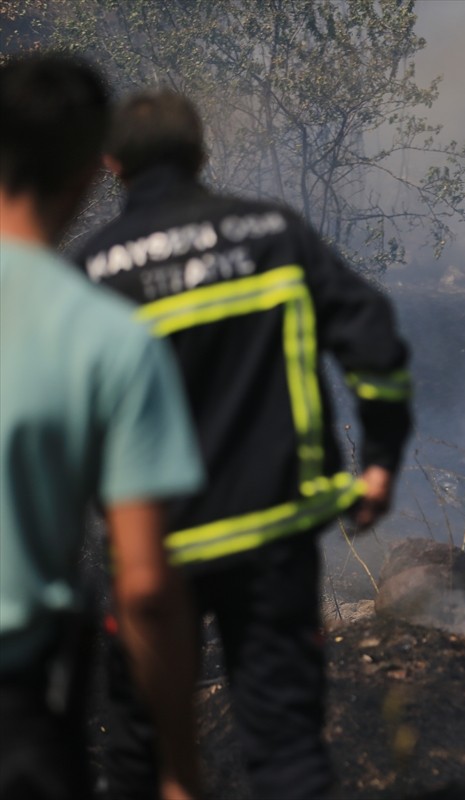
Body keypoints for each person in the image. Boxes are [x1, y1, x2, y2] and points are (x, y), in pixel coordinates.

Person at [74, 89, 413, 799]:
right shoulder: (271, 232)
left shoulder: (92, 270)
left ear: (112, 165)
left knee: (139, 748)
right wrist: (380, 461)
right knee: (285, 742)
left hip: (151, 549)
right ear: (201, 153)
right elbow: (375, 346)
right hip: (273, 533)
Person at [0, 55, 205, 800]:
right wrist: (179, 768)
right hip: (24, 694)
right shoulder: (108, 336)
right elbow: (146, 585)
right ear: (95, 171)